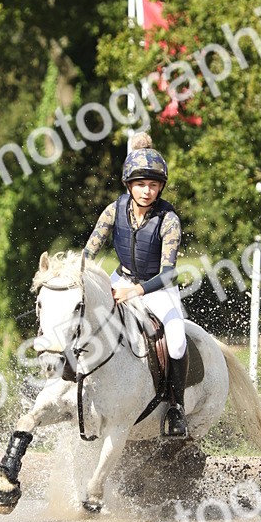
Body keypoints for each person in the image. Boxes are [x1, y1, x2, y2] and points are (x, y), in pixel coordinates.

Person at [83, 132, 188, 437]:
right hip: (121, 278)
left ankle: (175, 408)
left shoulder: (169, 220)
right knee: (83, 314)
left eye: (153, 185)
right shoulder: (114, 210)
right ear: (129, 185)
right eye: (141, 184)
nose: (147, 191)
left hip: (157, 288)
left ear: (161, 187)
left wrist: (135, 291)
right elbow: (89, 252)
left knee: (178, 339)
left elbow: (169, 274)